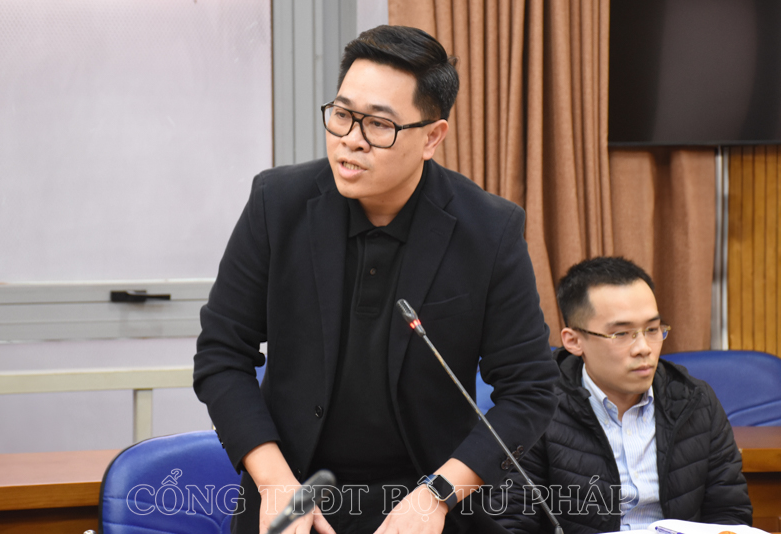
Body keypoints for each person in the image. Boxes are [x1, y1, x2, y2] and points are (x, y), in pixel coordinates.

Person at [193, 25, 559, 534]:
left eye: (379, 126)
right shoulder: (277, 205)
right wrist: (274, 481)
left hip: (427, 504)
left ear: (432, 137)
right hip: (292, 495)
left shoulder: (489, 230)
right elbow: (221, 355)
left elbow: (530, 389)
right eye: (342, 115)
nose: (350, 141)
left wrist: (438, 495)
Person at [491, 256, 752, 534]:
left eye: (652, 329)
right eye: (621, 334)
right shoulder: (535, 409)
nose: (643, 348)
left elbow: (729, 515)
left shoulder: (696, 401)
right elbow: (511, 521)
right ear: (574, 341)